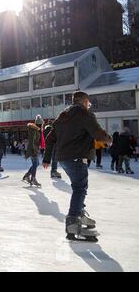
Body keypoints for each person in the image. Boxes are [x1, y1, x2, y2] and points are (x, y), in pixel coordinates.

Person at [43, 91, 112, 242]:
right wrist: (109, 139)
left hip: (64, 159)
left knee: (79, 187)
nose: (89, 106)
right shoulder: (84, 114)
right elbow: (98, 133)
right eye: (88, 103)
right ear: (85, 102)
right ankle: (73, 220)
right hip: (77, 157)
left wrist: (47, 158)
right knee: (79, 188)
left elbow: (49, 139)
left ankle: (79, 213)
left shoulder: (63, 115)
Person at [23, 115, 43, 187]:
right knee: (35, 163)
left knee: (36, 163)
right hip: (33, 149)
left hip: (34, 148)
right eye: (41, 124)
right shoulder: (34, 130)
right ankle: (33, 178)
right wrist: (34, 149)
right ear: (39, 124)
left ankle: (27, 176)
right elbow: (32, 140)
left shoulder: (36, 130)